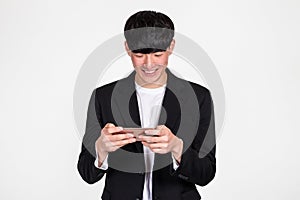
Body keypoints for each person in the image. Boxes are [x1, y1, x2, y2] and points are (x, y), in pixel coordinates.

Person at [77, 10, 216, 200]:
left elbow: (206, 173)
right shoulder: (103, 97)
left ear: (171, 46)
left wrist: (177, 148)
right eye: (139, 55)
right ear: (127, 48)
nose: (149, 64)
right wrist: (100, 150)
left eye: (158, 54)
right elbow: (87, 173)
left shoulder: (199, 97)